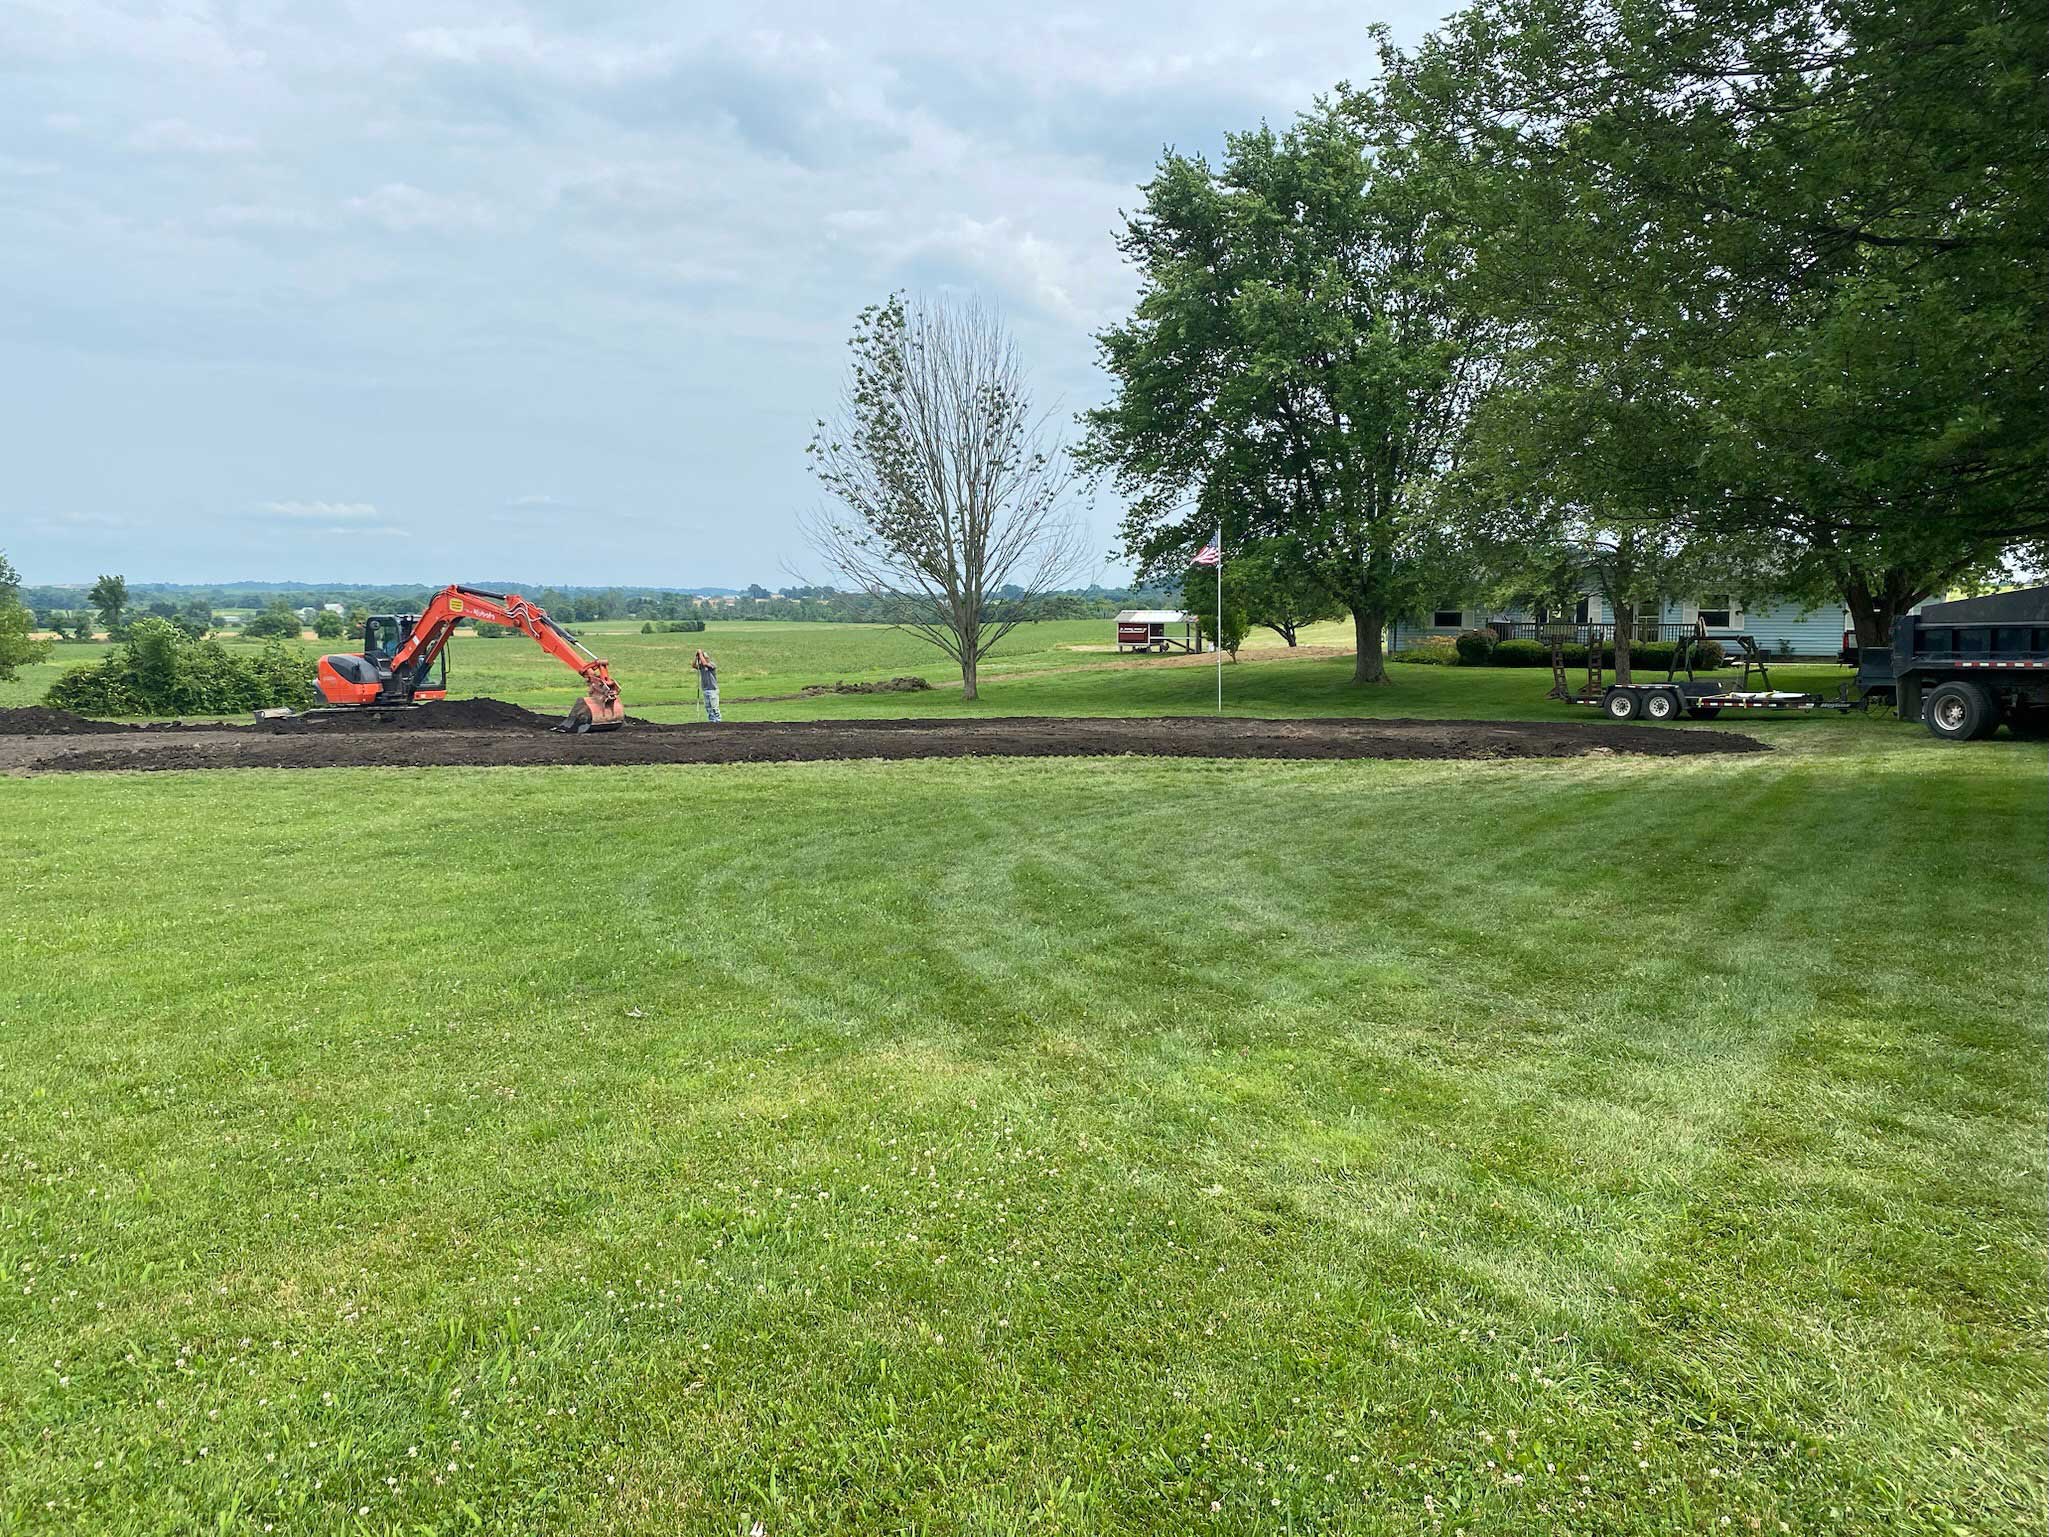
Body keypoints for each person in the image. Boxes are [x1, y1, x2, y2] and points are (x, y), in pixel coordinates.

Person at [693, 648, 721, 722]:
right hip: (705, 689)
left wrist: (700, 653)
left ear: (707, 658)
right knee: (708, 707)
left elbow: (705, 663)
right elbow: (693, 665)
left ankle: (718, 720)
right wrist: (696, 657)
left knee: (714, 707)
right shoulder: (701, 666)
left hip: (713, 689)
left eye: (704, 658)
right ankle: (711, 721)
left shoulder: (711, 665)